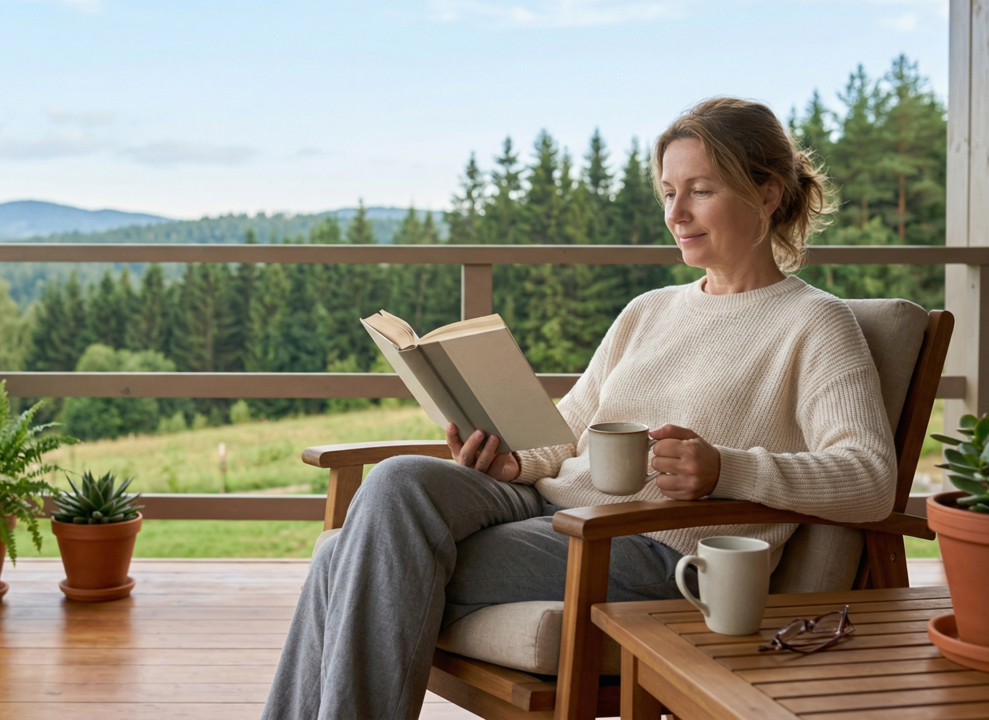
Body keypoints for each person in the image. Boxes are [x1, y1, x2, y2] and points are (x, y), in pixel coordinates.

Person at [261, 97, 898, 720]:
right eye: (667, 192)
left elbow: (870, 478)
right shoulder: (649, 310)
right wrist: (514, 462)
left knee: (348, 556)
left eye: (700, 190)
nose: (676, 213)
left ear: (768, 193)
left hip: (643, 545)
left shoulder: (815, 324)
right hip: (547, 504)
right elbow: (570, 426)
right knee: (398, 479)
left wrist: (727, 469)